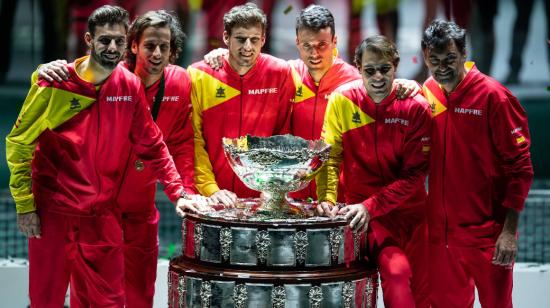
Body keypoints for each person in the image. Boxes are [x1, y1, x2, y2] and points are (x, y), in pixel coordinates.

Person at [6, 5, 204, 307]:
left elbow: (152, 143)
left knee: (107, 303)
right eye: (104, 40)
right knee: (46, 300)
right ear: (88, 39)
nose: (111, 47)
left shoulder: (129, 86)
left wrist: (178, 192)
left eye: (118, 41)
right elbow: (19, 144)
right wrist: (24, 204)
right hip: (54, 214)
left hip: (102, 216)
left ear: (126, 44)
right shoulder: (55, 82)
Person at [203, 4, 420, 202]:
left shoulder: (355, 81)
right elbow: (250, 59)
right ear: (297, 42)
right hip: (291, 197)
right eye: (307, 45)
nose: (314, 53)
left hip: (340, 199)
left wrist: (408, 84)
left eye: (322, 45)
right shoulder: (288, 73)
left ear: (335, 41)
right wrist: (223, 52)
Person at [421, 20, 534, 308]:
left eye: (450, 59)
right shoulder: (428, 91)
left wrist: (508, 232)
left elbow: (521, 169)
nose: (442, 67)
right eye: (435, 60)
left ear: (463, 54)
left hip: (489, 238)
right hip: (442, 240)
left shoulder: (494, 96)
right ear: (425, 57)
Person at [316, 35, 431, 308]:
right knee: (397, 273)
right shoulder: (343, 101)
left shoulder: (416, 108)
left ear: (396, 65)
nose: (378, 77)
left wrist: (370, 206)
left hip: (413, 219)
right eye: (370, 70)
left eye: (385, 69)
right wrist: (327, 199)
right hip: (365, 218)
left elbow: (414, 176)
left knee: (424, 296)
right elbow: (329, 157)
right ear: (358, 67)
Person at [189, 2, 295, 206]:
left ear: (263, 39)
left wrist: (273, 186)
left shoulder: (280, 73)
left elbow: (283, 135)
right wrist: (211, 189)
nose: (248, 47)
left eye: (254, 40)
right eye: (240, 39)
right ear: (226, 38)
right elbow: (193, 141)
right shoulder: (199, 75)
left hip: (264, 198)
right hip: (212, 198)